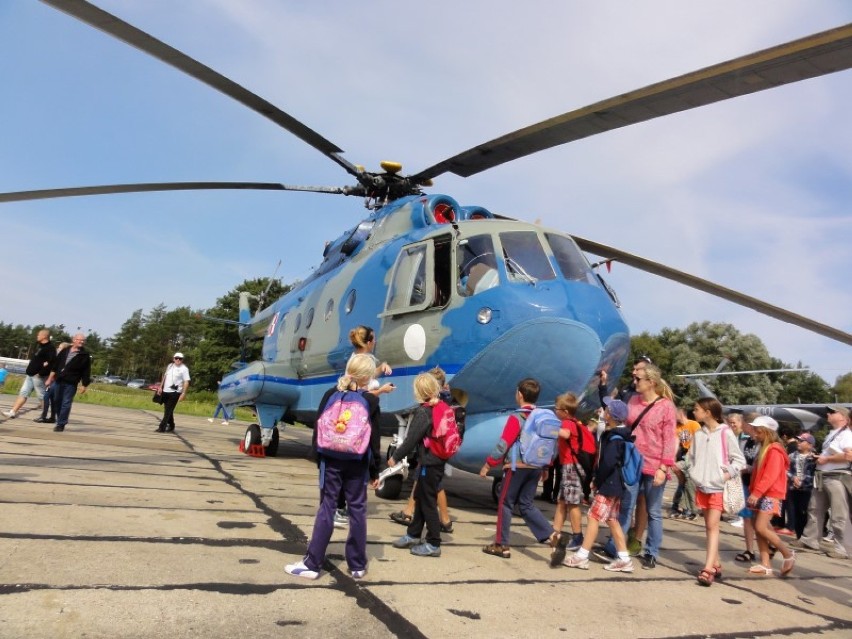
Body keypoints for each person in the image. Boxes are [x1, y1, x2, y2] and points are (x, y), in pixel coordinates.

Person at [285, 354, 381, 579]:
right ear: (368, 377)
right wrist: (375, 470)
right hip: (357, 461)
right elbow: (374, 439)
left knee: (327, 506)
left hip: (331, 459)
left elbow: (318, 428)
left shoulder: (331, 394)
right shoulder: (371, 400)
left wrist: (318, 458)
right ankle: (357, 565)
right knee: (357, 509)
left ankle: (312, 563)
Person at [595, 363, 677, 570]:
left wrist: (664, 467)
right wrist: (603, 386)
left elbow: (669, 440)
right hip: (632, 463)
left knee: (653, 511)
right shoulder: (632, 400)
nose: (634, 382)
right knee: (625, 508)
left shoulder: (666, 406)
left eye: (638, 379)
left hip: (654, 465)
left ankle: (651, 552)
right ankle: (616, 549)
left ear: (651, 382)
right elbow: (614, 411)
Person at [479, 378, 556, 559]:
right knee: (527, 504)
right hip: (536, 466)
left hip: (516, 467)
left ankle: (501, 544)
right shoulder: (542, 417)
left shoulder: (517, 417)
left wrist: (489, 463)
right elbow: (551, 444)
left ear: (520, 395)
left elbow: (503, 444)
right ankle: (553, 535)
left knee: (505, 502)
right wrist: (546, 467)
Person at [562, 397, 635, 573]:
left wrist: (597, 480)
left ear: (610, 415)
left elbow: (608, 463)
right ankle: (624, 559)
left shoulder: (614, 438)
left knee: (593, 517)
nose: (603, 411)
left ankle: (582, 555)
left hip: (608, 484)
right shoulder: (621, 435)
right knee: (612, 520)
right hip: (616, 484)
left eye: (606, 409)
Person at [389, 373, 448, 557]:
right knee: (421, 497)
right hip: (436, 461)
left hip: (429, 463)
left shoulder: (423, 412)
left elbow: (410, 440)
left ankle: (433, 543)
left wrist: (395, 457)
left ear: (419, 392)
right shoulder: (440, 406)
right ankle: (413, 534)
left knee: (428, 502)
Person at [688, 398, 745, 586]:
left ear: (708, 412)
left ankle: (708, 568)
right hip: (702, 485)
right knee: (709, 526)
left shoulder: (725, 433)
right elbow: (691, 457)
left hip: (718, 487)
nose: (694, 412)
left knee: (713, 526)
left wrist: (724, 475)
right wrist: (691, 472)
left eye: (697, 409)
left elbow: (739, 460)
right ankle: (716, 563)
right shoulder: (698, 433)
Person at [793, 405, 852, 560]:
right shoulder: (835, 434)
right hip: (824, 475)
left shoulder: (846, 434)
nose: (828, 414)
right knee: (814, 508)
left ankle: (843, 549)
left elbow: (849, 456)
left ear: (843, 417)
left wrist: (827, 459)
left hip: (837, 476)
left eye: (832, 412)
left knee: (839, 514)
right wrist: (821, 458)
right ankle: (810, 540)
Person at [744, 415, 796, 577]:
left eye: (758, 431)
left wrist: (756, 492)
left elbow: (770, 475)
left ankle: (787, 554)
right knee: (760, 529)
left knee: (760, 527)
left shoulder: (774, 450)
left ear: (767, 432)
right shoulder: (765, 448)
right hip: (761, 493)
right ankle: (765, 564)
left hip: (770, 494)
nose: (755, 434)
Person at [549, 391, 586, 565]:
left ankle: (577, 535)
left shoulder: (568, 423)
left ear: (564, 410)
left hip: (571, 467)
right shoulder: (569, 421)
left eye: (556, 409)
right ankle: (554, 533)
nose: (555, 411)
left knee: (572, 503)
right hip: (566, 467)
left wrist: (548, 427)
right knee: (562, 502)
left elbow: (565, 434)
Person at [3, 329, 56, 419]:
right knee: (23, 393)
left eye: (39, 335)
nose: (37, 336)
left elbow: (51, 362)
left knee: (42, 396)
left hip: (38, 377)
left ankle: (47, 415)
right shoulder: (39, 346)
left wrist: (41, 373)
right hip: (30, 375)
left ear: (44, 336)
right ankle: (13, 412)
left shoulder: (50, 348)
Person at [44, 333, 91, 432]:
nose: (81, 342)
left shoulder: (84, 356)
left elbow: (86, 371)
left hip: (71, 383)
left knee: (66, 403)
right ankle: (60, 418)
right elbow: (55, 366)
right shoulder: (65, 351)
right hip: (58, 380)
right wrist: (49, 379)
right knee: (57, 401)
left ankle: (61, 424)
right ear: (74, 340)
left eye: (83, 340)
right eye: (79, 340)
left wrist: (84, 384)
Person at [670, 407, 700, 520]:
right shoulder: (676, 427)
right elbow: (676, 443)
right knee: (682, 483)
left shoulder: (694, 425)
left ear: (681, 414)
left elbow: (699, 442)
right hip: (682, 457)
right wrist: (672, 460)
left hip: (693, 457)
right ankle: (678, 507)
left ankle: (689, 509)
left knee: (689, 483)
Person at [785, 433, 816, 540]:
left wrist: (803, 482)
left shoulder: (814, 458)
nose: (798, 443)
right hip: (793, 488)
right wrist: (793, 478)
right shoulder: (792, 455)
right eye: (798, 440)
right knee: (794, 511)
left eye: (802, 441)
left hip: (807, 490)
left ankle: (805, 536)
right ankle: (798, 535)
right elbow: (785, 469)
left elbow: (814, 474)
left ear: (810, 445)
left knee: (804, 512)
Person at [154, 352, 191, 433]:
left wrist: (183, 393)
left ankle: (162, 427)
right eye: (176, 358)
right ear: (173, 358)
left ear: (182, 360)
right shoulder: (170, 366)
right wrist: (160, 387)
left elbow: (186, 382)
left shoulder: (184, 369)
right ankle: (172, 425)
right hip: (166, 390)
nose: (178, 360)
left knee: (168, 410)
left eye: (180, 358)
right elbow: (165, 376)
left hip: (175, 392)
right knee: (168, 409)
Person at [35, 342, 70, 423]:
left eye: (60, 348)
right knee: (53, 399)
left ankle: (44, 416)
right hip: (54, 381)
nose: (58, 349)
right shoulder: (58, 358)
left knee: (46, 397)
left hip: (56, 381)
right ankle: (52, 417)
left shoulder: (63, 359)